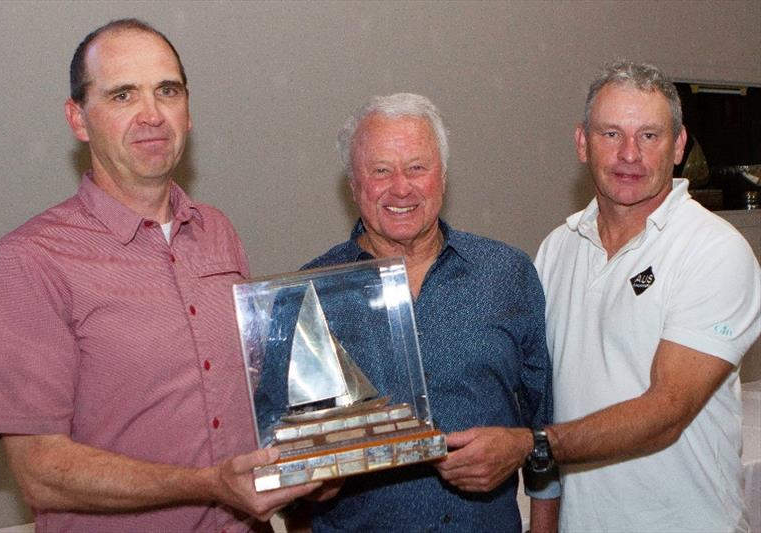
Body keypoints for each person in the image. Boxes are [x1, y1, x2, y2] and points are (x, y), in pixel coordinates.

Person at [0, 18, 319, 532]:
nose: (152, 115)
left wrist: (325, 452)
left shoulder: (218, 231)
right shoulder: (30, 260)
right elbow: (40, 472)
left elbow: (254, 393)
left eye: (167, 91)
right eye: (122, 96)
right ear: (78, 118)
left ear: (188, 109)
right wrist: (206, 483)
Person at [483, 60, 761, 532]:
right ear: (581, 143)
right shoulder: (558, 247)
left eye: (649, 136)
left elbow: (666, 411)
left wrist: (532, 444)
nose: (629, 154)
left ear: (678, 146)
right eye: (611, 134)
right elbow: (541, 392)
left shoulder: (714, 251)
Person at [292, 93, 558, 532]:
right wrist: (312, 481)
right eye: (380, 171)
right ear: (353, 185)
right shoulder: (311, 295)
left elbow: (543, 420)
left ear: (444, 177)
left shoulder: (506, 273)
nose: (401, 187)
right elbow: (295, 464)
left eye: (417, 167)